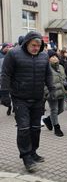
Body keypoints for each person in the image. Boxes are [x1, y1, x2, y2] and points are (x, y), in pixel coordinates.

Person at [1, 31, 54, 172]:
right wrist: (4, 94)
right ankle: (26, 157)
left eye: (39, 45)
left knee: (36, 128)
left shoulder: (43, 56)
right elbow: (5, 74)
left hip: (38, 98)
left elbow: (48, 73)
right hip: (20, 98)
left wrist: (52, 88)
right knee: (24, 128)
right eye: (33, 45)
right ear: (27, 43)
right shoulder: (13, 54)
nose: (36, 48)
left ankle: (33, 152)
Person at [43, 50, 67, 137]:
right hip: (52, 93)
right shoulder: (45, 68)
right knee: (54, 110)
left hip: (61, 92)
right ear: (48, 59)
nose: (55, 58)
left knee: (61, 110)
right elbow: (43, 82)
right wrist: (47, 92)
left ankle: (48, 119)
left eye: (55, 56)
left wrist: (66, 90)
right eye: (52, 57)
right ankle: (57, 128)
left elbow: (64, 79)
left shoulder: (60, 67)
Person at [0, 43, 13, 115]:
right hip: (1, 75)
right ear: (4, 47)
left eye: (9, 47)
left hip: (9, 76)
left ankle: (10, 107)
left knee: (11, 92)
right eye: (7, 47)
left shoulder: (9, 55)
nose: (8, 48)